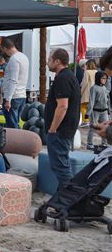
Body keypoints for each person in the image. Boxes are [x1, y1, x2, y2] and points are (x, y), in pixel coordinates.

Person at [44, 48, 81, 185]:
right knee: (61, 166)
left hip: (60, 131)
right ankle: (63, 198)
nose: (47, 63)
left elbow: (63, 106)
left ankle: (68, 199)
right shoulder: (68, 76)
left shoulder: (63, 78)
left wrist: (52, 129)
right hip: (64, 129)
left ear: (57, 61)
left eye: (49, 60)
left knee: (61, 168)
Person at [0, 37, 29, 129]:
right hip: (21, 95)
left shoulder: (14, 59)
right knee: (16, 123)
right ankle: (20, 142)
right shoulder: (24, 57)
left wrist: (8, 99)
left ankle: (16, 143)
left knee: (12, 126)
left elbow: (13, 80)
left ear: (4, 48)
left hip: (13, 96)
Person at [86, 71, 109, 149]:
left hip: (104, 111)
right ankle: (89, 143)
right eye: (103, 78)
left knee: (106, 126)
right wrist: (88, 113)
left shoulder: (104, 87)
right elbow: (91, 101)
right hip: (95, 111)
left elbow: (107, 99)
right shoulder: (94, 88)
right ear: (98, 78)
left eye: (105, 78)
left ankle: (104, 143)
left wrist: (108, 109)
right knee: (93, 127)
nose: (104, 80)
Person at [80, 59, 98, 126]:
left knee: (83, 107)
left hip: (87, 92)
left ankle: (86, 121)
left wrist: (80, 92)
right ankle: (91, 121)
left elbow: (85, 83)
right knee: (91, 107)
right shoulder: (96, 72)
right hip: (95, 92)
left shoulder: (87, 72)